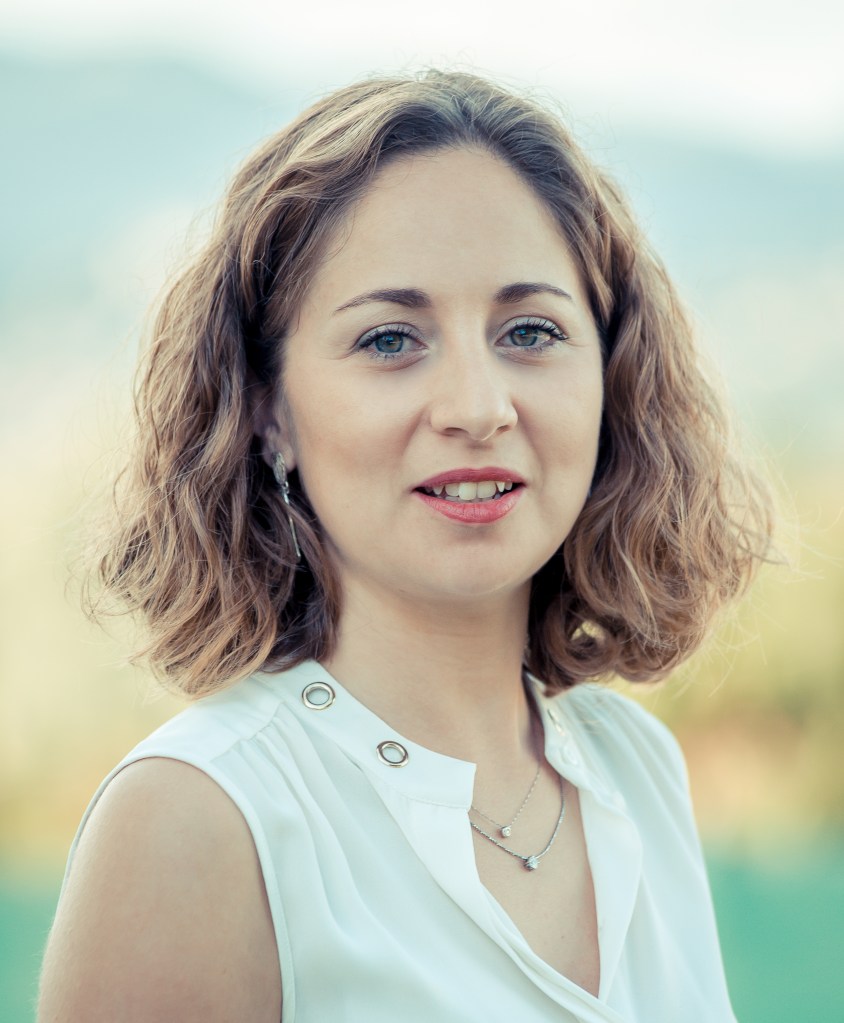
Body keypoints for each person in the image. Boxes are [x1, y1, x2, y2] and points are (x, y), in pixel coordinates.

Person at [38, 70, 771, 1022]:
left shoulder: (637, 767)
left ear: (611, 375)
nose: (478, 407)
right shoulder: (198, 818)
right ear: (267, 410)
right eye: (390, 340)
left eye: (531, 330)